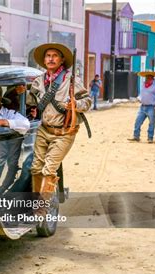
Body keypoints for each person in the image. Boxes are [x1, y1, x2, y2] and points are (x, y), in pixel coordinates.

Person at [29, 43, 91, 216]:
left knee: (49, 169)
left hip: (64, 132)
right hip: (43, 129)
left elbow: (87, 101)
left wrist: (75, 104)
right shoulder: (39, 81)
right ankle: (35, 203)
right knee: (35, 168)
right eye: (48, 56)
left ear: (62, 59)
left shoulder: (71, 80)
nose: (50, 59)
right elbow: (31, 99)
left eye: (54, 55)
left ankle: (42, 209)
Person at [128, 71, 155, 144]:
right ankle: (136, 136)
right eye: (146, 77)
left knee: (151, 123)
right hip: (142, 107)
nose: (147, 78)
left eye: (148, 77)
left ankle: (150, 138)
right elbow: (141, 94)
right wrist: (139, 99)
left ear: (152, 77)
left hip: (151, 107)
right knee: (138, 121)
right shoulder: (144, 84)